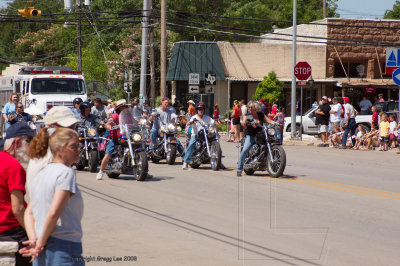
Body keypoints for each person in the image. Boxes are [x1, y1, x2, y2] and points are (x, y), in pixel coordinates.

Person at [20, 128, 84, 265]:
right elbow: (54, 211)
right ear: (58, 149)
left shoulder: (42, 173)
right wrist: (39, 244)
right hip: (63, 247)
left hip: (41, 245)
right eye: (73, 146)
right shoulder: (66, 173)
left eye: (78, 145)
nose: (78, 149)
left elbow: (29, 213)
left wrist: (34, 239)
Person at [0, 122, 36, 266]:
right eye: (29, 141)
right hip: (11, 230)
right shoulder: (13, 166)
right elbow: (18, 209)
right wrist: (34, 235)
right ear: (16, 142)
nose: (32, 146)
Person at [26, 106, 80, 192]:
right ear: (51, 126)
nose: (72, 130)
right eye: (66, 127)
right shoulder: (50, 156)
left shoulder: (50, 150)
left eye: (73, 126)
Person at [236, 100, 276, 176]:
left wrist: (275, 123)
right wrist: (246, 123)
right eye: (249, 107)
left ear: (256, 108)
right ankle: (239, 169)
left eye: (252, 107)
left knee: (270, 143)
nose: (250, 109)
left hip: (261, 133)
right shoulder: (247, 115)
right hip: (251, 135)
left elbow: (268, 120)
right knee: (244, 150)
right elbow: (243, 123)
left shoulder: (260, 114)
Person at [96, 99, 130, 180]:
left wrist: (142, 123)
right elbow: (110, 121)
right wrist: (108, 125)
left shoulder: (128, 115)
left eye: (126, 106)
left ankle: (144, 170)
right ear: (119, 108)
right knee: (108, 154)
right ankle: (100, 172)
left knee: (138, 144)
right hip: (115, 138)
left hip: (126, 137)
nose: (125, 108)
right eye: (123, 107)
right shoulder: (115, 115)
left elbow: (134, 121)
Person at [183, 102, 215, 169]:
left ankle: (219, 162)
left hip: (205, 134)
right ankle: (186, 162)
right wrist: (190, 122)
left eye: (202, 109)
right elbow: (189, 122)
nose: (201, 110)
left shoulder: (207, 118)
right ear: (197, 110)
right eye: (199, 109)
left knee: (214, 141)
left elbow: (213, 122)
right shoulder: (194, 117)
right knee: (191, 144)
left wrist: (216, 122)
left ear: (204, 110)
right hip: (196, 134)